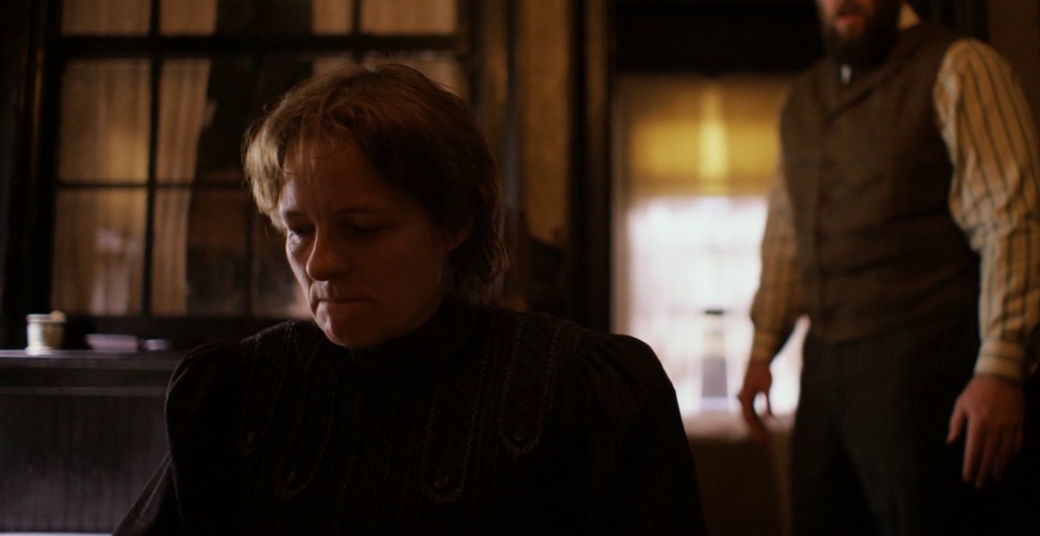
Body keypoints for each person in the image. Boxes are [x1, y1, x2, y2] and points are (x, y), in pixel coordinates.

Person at [115, 63, 708, 534]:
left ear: (456, 222)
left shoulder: (579, 388)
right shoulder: (246, 390)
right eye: (299, 230)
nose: (319, 263)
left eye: (363, 228)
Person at [737, 0, 1040, 535]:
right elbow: (786, 237)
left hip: (926, 364)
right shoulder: (801, 101)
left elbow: (1012, 222)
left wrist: (1002, 366)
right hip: (824, 370)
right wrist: (763, 347)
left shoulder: (959, 66)